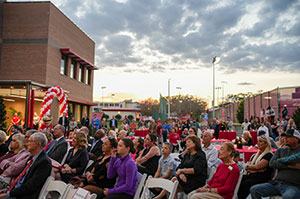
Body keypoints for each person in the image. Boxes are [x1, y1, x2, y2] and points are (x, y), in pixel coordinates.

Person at [250, 129, 300, 199]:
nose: (285, 138)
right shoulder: (280, 150)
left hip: (293, 185)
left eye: (288, 137)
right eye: (285, 136)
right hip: (276, 183)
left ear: (296, 139)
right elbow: (272, 163)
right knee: (254, 189)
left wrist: (280, 162)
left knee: (288, 196)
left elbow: (275, 163)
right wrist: (291, 165)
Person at [0, 132, 51, 199]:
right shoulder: (32, 158)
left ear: (36, 144)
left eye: (29, 141)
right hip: (15, 191)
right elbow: (21, 178)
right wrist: (8, 190)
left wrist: (9, 194)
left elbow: (31, 186)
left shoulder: (44, 162)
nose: (27, 144)